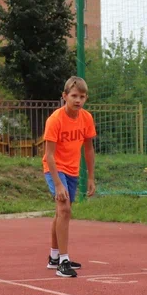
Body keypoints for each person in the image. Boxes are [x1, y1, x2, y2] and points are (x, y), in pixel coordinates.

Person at [42, 76, 97, 278]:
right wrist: (57, 183)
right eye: (74, 96)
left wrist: (90, 178)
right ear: (65, 96)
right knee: (64, 208)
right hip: (55, 168)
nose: (78, 100)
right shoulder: (55, 120)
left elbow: (89, 150)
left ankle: (54, 256)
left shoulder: (86, 118)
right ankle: (63, 262)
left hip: (73, 170)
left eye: (82, 97)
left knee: (61, 212)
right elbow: (49, 155)